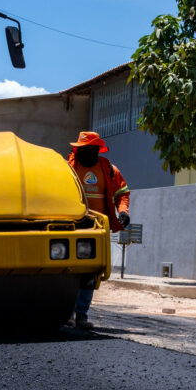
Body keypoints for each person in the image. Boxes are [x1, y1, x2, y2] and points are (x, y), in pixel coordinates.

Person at [67, 131, 130, 330]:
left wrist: (123, 212)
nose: (88, 153)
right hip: (72, 226)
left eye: (92, 150)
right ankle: (67, 314)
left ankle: (81, 316)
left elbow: (122, 193)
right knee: (69, 272)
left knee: (90, 273)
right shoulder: (68, 169)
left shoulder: (109, 170)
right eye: (84, 150)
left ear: (97, 150)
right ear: (78, 150)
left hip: (96, 229)